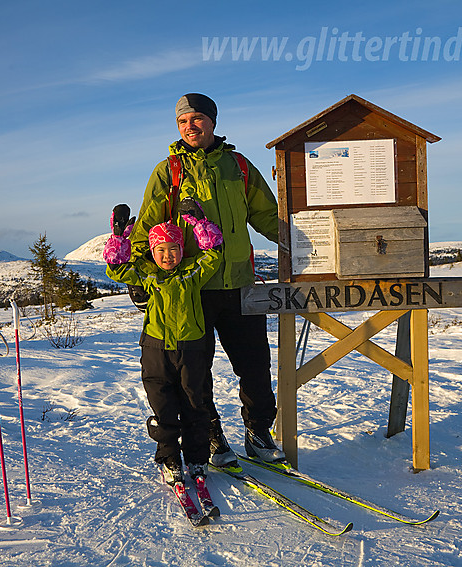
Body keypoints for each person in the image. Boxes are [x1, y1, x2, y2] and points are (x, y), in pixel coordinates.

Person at [129, 93, 286, 468]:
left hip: (240, 285)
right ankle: (211, 435)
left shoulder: (239, 167)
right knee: (195, 373)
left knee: (255, 366)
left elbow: (267, 215)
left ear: (212, 121)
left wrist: (301, 242)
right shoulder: (168, 171)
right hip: (191, 289)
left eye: (197, 118)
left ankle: (259, 431)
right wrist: (138, 271)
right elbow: (148, 223)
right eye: (183, 121)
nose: (190, 126)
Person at [104, 202, 224, 485]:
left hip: (191, 348)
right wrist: (119, 236)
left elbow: (213, 253)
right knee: (164, 406)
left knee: (195, 404)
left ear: (182, 251)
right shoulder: (147, 274)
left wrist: (199, 223)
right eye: (161, 250)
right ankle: (169, 457)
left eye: (173, 249)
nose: (167, 255)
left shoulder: (192, 273)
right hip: (156, 350)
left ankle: (196, 458)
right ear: (152, 252)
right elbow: (117, 270)